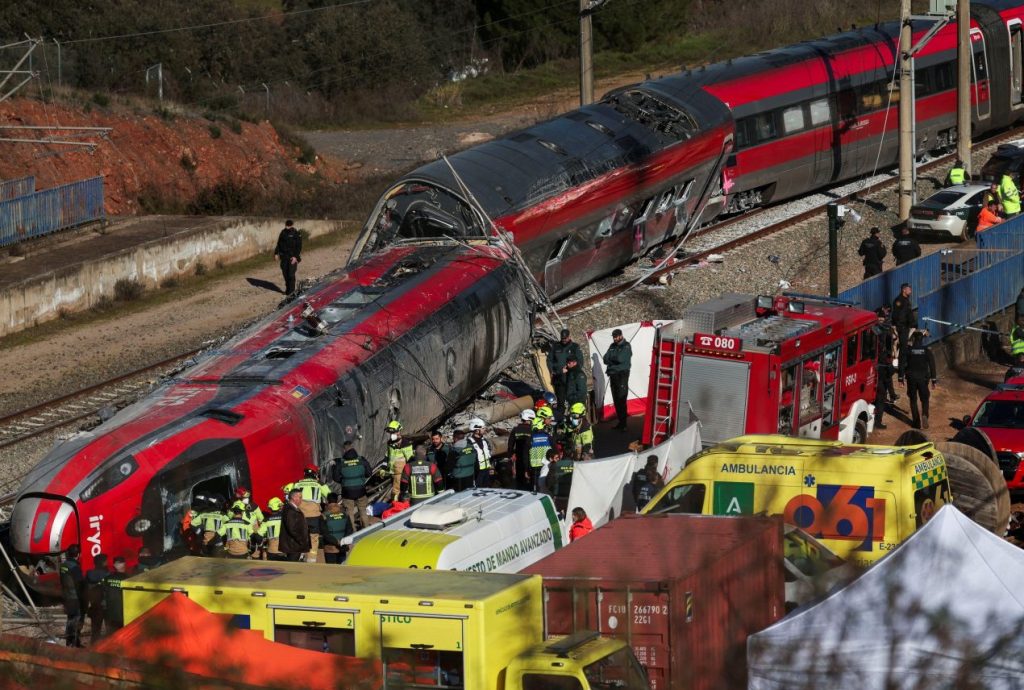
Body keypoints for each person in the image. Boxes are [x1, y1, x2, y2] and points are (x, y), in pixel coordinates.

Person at [291, 465, 330, 562]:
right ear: (315, 474)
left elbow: (289, 497)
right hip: (314, 516)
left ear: (305, 474)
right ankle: (311, 559)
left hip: (300, 516)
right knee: (313, 537)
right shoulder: (319, 484)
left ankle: (300, 554)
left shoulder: (297, 483)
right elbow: (330, 495)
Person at [899, 330, 937, 430]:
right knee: (925, 399)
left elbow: (902, 363)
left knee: (913, 400)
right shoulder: (926, 350)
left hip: (911, 378)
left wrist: (900, 378)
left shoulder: (909, 350)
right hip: (923, 379)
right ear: (922, 339)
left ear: (914, 339)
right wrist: (934, 380)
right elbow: (932, 365)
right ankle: (924, 414)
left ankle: (916, 422)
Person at [334, 443, 374, 531]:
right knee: (363, 510)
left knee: (349, 512)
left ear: (344, 450)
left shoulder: (341, 462)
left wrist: (344, 481)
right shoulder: (361, 460)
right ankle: (366, 529)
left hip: (347, 491)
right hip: (361, 490)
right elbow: (369, 473)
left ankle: (352, 531)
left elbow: (335, 477)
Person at [548, 329, 585, 412]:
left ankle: (575, 418)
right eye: (562, 338)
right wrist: (552, 371)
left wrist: (571, 370)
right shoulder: (555, 346)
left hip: (571, 378)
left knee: (573, 400)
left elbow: (580, 362)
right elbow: (549, 360)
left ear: (569, 337)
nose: (564, 340)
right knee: (560, 401)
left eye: (565, 338)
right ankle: (561, 418)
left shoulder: (575, 347)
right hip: (559, 377)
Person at [603, 328, 632, 431]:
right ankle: (620, 422)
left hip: (622, 375)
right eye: (614, 337)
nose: (615, 339)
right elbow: (605, 359)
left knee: (621, 399)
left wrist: (612, 358)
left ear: (621, 335)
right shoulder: (612, 346)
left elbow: (620, 359)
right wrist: (613, 358)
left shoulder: (626, 346)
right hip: (613, 375)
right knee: (616, 399)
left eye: (616, 337)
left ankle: (624, 424)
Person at [60, 545, 85, 647]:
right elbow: (80, 585)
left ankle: (69, 642)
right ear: (78, 555)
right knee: (76, 620)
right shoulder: (75, 567)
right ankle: (74, 643)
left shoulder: (63, 566)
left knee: (70, 619)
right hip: (75, 598)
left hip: (66, 597)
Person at [84, 553, 111, 644]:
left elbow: (86, 590)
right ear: (103, 563)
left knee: (95, 632)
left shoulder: (89, 574)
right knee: (110, 632)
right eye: (106, 561)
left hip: (95, 606)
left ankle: (94, 649)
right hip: (106, 606)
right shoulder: (108, 574)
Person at [385, 420, 414, 501]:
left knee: (396, 491)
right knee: (395, 491)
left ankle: (397, 506)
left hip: (401, 474)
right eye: (391, 433)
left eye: (393, 432)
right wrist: (384, 469)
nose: (392, 435)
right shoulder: (390, 443)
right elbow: (388, 456)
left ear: (399, 432)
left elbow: (410, 460)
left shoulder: (405, 444)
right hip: (392, 472)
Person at [280, 488, 311, 562]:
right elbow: (292, 528)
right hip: (294, 545)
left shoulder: (293, 509)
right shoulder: (290, 510)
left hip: (294, 544)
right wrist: (302, 540)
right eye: (300, 497)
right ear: (294, 498)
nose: (301, 499)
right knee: (292, 565)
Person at [320, 493, 352, 564]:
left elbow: (325, 534)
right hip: (343, 547)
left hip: (330, 548)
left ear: (327, 501)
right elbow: (349, 530)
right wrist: (342, 542)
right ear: (337, 501)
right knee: (341, 570)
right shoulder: (345, 514)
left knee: (331, 571)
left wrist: (336, 542)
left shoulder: (324, 516)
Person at [274, 219, 302, 297]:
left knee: (291, 274)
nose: (287, 226)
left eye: (289, 225)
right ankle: (288, 290)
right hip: (284, 257)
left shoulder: (296, 233)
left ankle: (291, 292)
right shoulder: (283, 233)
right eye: (286, 225)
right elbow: (279, 244)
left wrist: (295, 257)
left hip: (292, 257)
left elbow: (299, 247)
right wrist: (276, 253)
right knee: (285, 273)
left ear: (292, 225)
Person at [528, 409, 554, 492]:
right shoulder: (546, 435)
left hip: (536, 465)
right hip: (544, 464)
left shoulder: (531, 437)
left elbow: (526, 453)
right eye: (549, 418)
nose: (551, 420)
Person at [102, 557, 129, 634]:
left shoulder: (107, 578)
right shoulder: (128, 579)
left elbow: (103, 593)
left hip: (110, 612)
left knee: (111, 635)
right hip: (123, 613)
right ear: (125, 564)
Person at [510, 409, 535, 490]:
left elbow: (510, 445)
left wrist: (512, 454)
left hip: (519, 459)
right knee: (530, 479)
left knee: (519, 480)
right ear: (529, 419)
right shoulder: (532, 431)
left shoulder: (515, 429)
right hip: (530, 458)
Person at [891, 283, 917, 356]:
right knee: (903, 348)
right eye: (909, 289)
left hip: (906, 326)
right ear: (904, 290)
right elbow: (898, 315)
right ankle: (901, 366)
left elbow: (909, 314)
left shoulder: (906, 300)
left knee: (904, 347)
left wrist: (912, 323)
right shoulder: (899, 300)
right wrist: (900, 324)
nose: (910, 290)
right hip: (902, 327)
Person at [467, 418, 493, 488]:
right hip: (477, 473)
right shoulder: (469, 443)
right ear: (476, 430)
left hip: (486, 471)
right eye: (483, 428)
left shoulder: (485, 441)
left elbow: (489, 454)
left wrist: (491, 467)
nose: (484, 429)